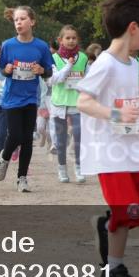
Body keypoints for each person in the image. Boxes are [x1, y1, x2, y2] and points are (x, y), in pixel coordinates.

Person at [78, 0, 139, 277]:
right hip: (110, 154)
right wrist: (114, 117)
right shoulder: (105, 63)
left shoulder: (132, 65)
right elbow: (83, 102)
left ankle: (107, 224)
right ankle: (113, 269)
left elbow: (127, 107)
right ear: (133, 28)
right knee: (127, 208)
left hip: (135, 149)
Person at [0, 6, 54, 192]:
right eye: (16, 20)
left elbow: (49, 71)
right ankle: (4, 157)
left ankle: (22, 178)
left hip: (30, 98)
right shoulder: (8, 45)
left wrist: (42, 70)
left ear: (32, 22)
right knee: (16, 135)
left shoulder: (41, 47)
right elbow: (1, 68)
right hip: (12, 98)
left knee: (27, 139)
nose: (18, 22)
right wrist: (7, 70)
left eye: (22, 19)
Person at [48, 25, 88, 183]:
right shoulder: (53, 58)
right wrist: (68, 65)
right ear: (60, 40)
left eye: (74, 38)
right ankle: (62, 169)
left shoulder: (83, 58)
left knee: (79, 136)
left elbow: (89, 78)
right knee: (61, 140)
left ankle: (79, 168)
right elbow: (53, 80)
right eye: (67, 38)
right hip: (59, 103)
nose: (71, 41)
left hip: (77, 103)